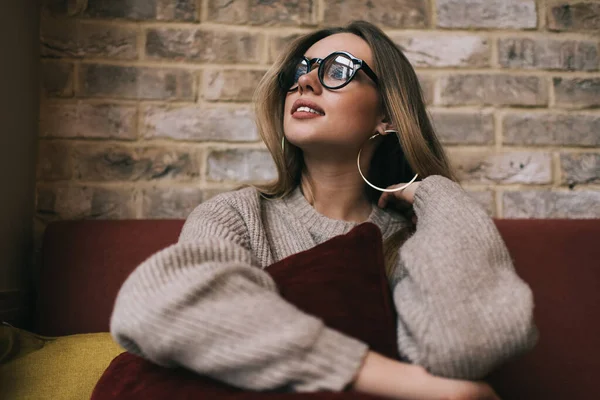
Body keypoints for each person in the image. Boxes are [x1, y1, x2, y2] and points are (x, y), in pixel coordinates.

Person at [110, 21, 538, 400]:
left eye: (337, 70)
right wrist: (393, 380)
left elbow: (469, 345)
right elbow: (158, 305)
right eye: (300, 70)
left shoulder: (410, 240)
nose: (305, 83)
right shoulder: (238, 215)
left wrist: (433, 193)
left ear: (386, 116)